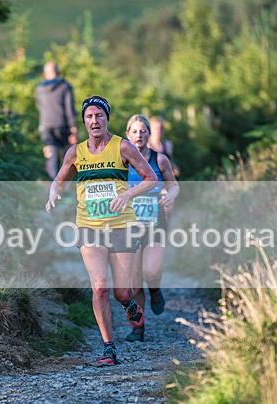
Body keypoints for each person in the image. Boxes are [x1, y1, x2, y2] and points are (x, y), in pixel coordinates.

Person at [46, 96, 158, 367]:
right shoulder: (75, 152)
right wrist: (53, 194)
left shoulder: (123, 146)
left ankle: (130, 305)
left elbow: (151, 179)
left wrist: (127, 195)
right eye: (89, 116)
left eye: (99, 116)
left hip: (121, 226)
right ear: (84, 121)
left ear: (107, 118)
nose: (94, 121)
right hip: (89, 226)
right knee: (99, 288)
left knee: (122, 292)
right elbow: (59, 180)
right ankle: (109, 348)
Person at [126, 114, 179, 327]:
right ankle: (137, 328)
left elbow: (174, 185)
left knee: (151, 271)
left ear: (149, 134)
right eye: (135, 131)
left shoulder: (160, 159)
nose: (139, 135)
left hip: (155, 222)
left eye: (143, 131)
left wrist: (170, 196)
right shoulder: (122, 161)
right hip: (129, 226)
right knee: (135, 281)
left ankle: (155, 290)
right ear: (128, 135)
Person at [35, 61, 78, 179]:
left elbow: (40, 107)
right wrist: (73, 128)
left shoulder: (39, 89)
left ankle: (51, 190)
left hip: (45, 126)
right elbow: (69, 108)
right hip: (63, 125)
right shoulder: (65, 86)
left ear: (44, 74)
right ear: (58, 72)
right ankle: (66, 190)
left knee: (50, 158)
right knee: (66, 159)